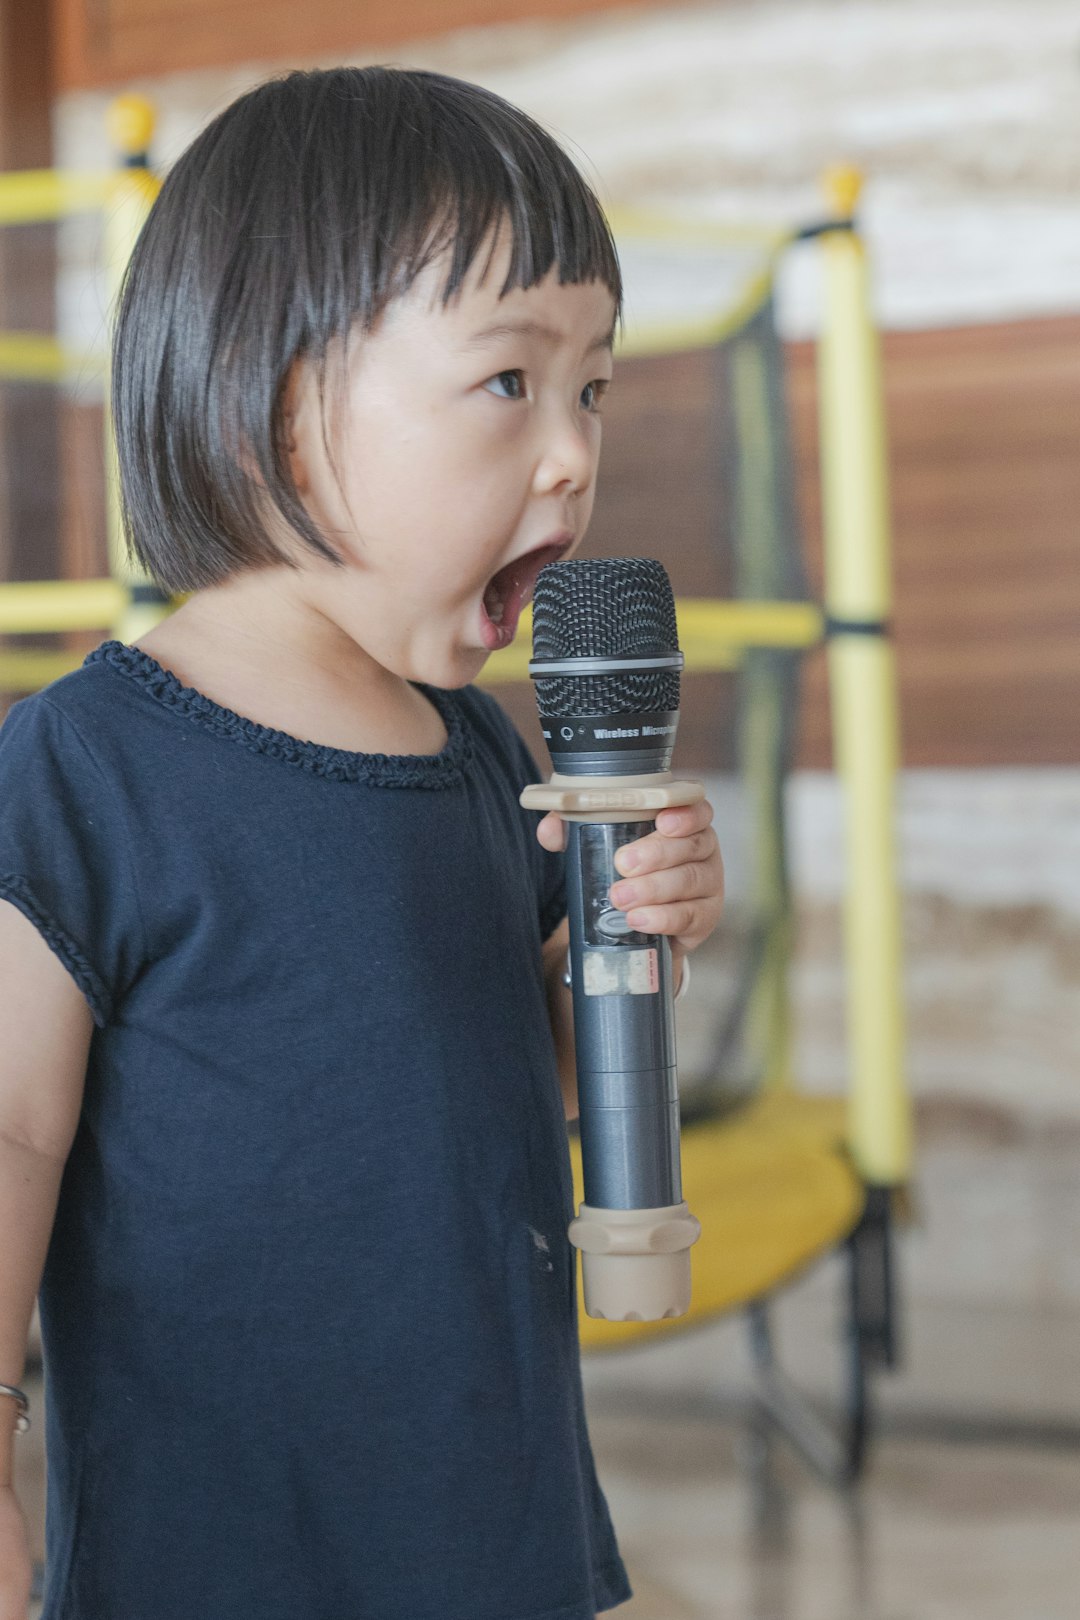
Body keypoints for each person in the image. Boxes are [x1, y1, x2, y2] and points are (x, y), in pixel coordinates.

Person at [0, 67, 724, 1620]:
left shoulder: (485, 754)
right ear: (280, 400)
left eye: (592, 387)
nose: (573, 456)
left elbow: (523, 1065)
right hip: (214, 1565)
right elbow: (11, 1131)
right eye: (509, 382)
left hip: (498, 1540)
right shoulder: (86, 766)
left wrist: (639, 935)